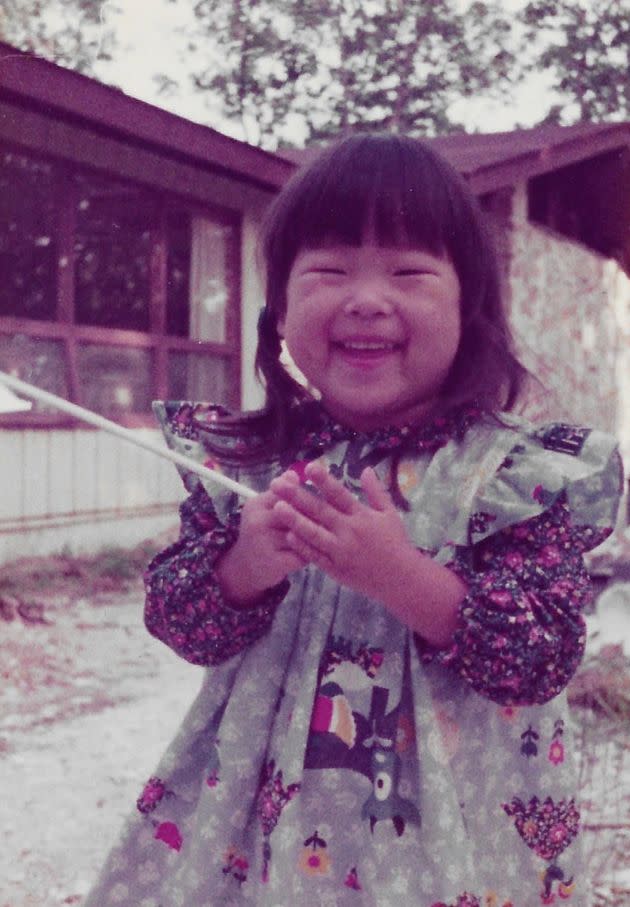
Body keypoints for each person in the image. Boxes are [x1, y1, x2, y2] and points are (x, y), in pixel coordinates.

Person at [85, 134, 622, 907]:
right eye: (330, 271)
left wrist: (402, 577)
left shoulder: (515, 477)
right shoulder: (252, 462)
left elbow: (539, 655)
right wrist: (246, 562)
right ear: (280, 309)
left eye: (409, 271)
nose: (366, 298)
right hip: (258, 830)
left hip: (454, 835)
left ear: (469, 306)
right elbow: (179, 620)